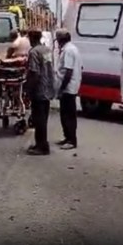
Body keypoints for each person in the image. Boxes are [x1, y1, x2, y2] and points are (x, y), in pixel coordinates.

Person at [26, 27, 55, 155]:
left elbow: (34, 73)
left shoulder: (33, 52)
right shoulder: (47, 50)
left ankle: (42, 146)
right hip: (48, 88)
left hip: (38, 90)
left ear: (31, 38)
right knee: (43, 119)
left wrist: (29, 89)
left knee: (39, 119)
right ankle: (41, 144)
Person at [55, 28, 82, 150]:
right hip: (69, 86)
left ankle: (71, 140)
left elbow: (68, 71)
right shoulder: (70, 48)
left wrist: (61, 88)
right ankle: (67, 137)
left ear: (60, 39)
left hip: (68, 87)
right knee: (64, 114)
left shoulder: (68, 50)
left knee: (68, 115)